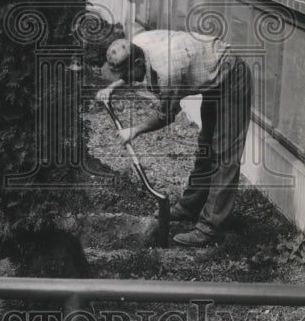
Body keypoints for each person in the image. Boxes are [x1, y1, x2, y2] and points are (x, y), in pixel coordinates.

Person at [96, 30, 251, 247]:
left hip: (231, 77)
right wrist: (111, 87)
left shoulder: (168, 70)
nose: (128, 81)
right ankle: (190, 207)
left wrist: (134, 130)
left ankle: (209, 228)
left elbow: (166, 116)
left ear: (138, 62)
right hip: (213, 72)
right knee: (206, 147)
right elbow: (130, 71)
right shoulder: (137, 44)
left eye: (128, 74)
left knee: (224, 155)